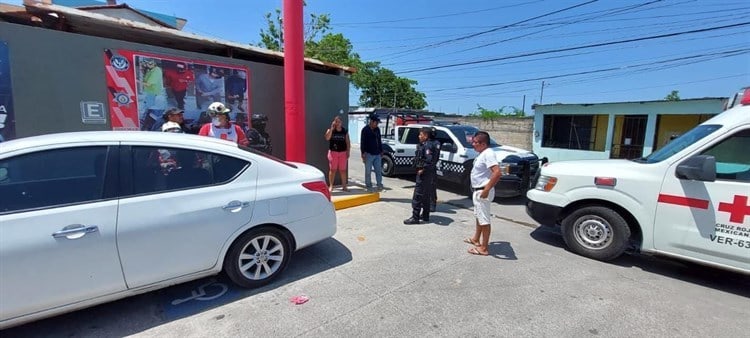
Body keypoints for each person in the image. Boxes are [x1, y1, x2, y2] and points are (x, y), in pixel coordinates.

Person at [465, 131, 503, 256]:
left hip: (482, 191)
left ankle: (484, 248)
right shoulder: (482, 153)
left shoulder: (488, 154)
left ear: (483, 143)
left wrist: (486, 190)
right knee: (479, 216)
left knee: (484, 220)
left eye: (475, 142)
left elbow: (497, 173)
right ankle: (476, 239)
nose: (473, 144)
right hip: (478, 191)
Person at [404, 127, 439, 224]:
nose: (419, 136)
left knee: (417, 196)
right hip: (430, 173)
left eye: (421, 134)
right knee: (426, 195)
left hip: (424, 173)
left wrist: (422, 169)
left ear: (426, 135)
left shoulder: (427, 145)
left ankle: (415, 217)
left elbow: (429, 160)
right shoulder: (432, 144)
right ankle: (425, 216)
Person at [325, 115, 350, 192]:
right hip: (333, 153)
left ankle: (344, 187)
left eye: (339, 121)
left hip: (343, 152)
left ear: (341, 122)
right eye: (336, 122)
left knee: (343, 170)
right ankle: (331, 186)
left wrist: (348, 151)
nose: (338, 123)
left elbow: (348, 142)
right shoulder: (330, 130)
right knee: (333, 170)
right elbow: (327, 138)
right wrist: (331, 129)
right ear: (334, 122)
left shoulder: (344, 131)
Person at [360, 113, 384, 192]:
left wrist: (381, 150)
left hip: (377, 154)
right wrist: (363, 153)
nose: (377, 124)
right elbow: (362, 142)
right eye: (376, 122)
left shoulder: (377, 130)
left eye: (377, 123)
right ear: (371, 121)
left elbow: (379, 141)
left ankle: (379, 184)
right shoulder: (365, 130)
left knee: (378, 170)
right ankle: (368, 185)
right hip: (368, 154)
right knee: (368, 171)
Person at [428, 127, 440, 212]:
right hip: (426, 167)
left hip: (432, 167)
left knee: (432, 186)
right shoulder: (426, 142)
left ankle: (432, 204)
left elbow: (434, 155)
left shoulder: (436, 143)